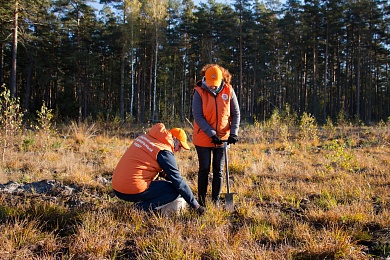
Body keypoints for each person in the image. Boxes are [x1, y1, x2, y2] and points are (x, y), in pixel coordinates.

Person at [112, 123, 206, 215]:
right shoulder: (164, 151)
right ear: (174, 139)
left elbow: (150, 164)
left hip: (117, 187)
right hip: (131, 188)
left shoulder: (146, 138)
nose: (178, 150)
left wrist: (169, 176)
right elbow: (179, 183)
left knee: (165, 186)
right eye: (179, 146)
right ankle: (140, 209)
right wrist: (196, 206)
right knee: (174, 191)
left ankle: (141, 204)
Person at [192, 64, 241, 207]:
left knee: (218, 171)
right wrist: (211, 134)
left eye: (216, 84)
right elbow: (198, 116)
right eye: (210, 84)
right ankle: (201, 202)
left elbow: (236, 113)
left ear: (221, 79)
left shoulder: (228, 90)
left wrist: (233, 133)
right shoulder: (199, 91)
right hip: (203, 138)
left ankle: (215, 201)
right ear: (205, 79)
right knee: (204, 169)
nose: (212, 87)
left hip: (223, 139)